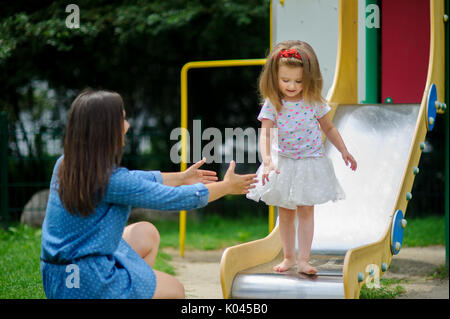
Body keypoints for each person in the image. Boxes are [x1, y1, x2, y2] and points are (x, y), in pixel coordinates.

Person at [40, 89, 257, 299]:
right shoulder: (110, 180)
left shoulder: (66, 164)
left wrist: (180, 177)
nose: (128, 125)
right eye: (123, 119)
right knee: (175, 291)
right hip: (85, 282)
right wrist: (227, 187)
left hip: (58, 278)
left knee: (145, 233)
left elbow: (134, 179)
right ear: (107, 129)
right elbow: (175, 198)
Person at [246, 40, 357, 275]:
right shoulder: (273, 104)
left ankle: (304, 260)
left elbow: (329, 128)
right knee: (286, 212)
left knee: (306, 210)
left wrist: (344, 150)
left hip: (309, 162)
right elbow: (265, 135)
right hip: (283, 163)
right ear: (274, 78)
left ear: (308, 79)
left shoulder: (313, 102)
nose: (292, 86)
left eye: (298, 81)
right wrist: (267, 161)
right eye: (285, 80)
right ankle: (288, 258)